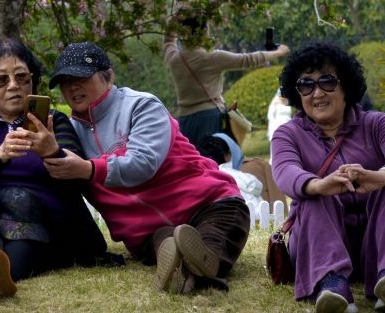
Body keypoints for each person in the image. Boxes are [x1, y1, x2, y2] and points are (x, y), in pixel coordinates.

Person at [47, 41, 251, 294]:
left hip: (209, 205)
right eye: (64, 81)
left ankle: (197, 267)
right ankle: (184, 263)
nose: (72, 86)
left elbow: (143, 164)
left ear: (108, 75)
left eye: (81, 76)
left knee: (210, 243)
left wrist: (89, 169)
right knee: (168, 240)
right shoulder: (71, 133)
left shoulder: (141, 105)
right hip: (150, 232)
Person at [0, 38, 111, 302]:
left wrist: (51, 150)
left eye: (21, 77)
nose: (13, 86)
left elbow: (78, 178)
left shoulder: (54, 121)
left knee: (22, 243)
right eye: (1, 80)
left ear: (32, 80)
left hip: (40, 222)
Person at [269, 41, 385, 313]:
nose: (316, 93)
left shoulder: (376, 124)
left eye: (327, 82)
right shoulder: (288, 134)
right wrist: (319, 184)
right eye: (306, 85)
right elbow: (285, 172)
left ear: (345, 86)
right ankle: (331, 285)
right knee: (314, 195)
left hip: (370, 247)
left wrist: (382, 175)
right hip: (316, 243)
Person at [164, 18, 290, 163]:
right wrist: (278, 52)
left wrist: (175, 19)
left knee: (191, 165)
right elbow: (247, 59)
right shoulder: (210, 57)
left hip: (185, 120)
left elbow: (168, 41)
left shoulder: (174, 58)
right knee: (214, 164)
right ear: (204, 31)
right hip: (209, 118)